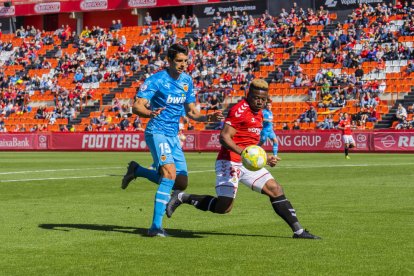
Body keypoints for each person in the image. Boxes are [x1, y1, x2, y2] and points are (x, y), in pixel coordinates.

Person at [166, 79, 320, 239]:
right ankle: (182, 197)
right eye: (256, 97)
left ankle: (299, 231)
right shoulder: (239, 110)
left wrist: (264, 158)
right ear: (248, 95)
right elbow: (224, 137)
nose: (260, 101)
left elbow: (250, 143)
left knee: (275, 189)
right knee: (224, 207)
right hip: (229, 161)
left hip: (247, 162)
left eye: (263, 98)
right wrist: (245, 154)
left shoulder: (260, 112)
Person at [121, 44, 223, 237]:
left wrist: (207, 118)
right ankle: (155, 227)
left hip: (173, 135)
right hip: (156, 132)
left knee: (181, 182)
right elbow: (137, 106)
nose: (183, 64)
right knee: (169, 174)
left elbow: (192, 111)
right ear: (169, 61)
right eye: (179, 61)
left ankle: (138, 170)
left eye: (186, 61)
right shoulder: (156, 80)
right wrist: (150, 112)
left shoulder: (187, 81)